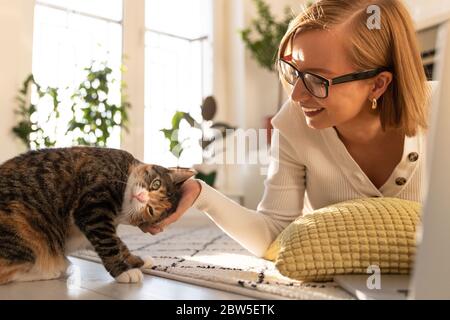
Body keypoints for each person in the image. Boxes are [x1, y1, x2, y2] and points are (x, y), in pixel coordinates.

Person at [140, 0, 430, 257]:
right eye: (293, 72)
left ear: (377, 84)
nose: (296, 96)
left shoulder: (442, 109)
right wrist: (201, 194)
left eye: (317, 79)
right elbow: (274, 234)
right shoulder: (294, 122)